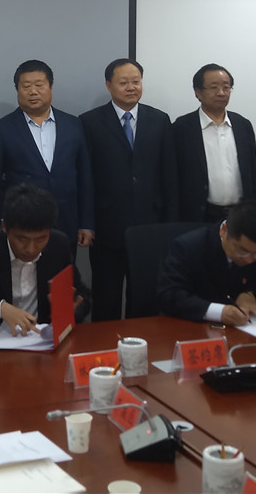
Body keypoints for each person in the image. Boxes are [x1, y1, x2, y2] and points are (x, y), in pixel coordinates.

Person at [80, 58, 178, 320]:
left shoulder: (159, 120)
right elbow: (85, 178)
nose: (131, 87)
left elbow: (169, 176)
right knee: (106, 299)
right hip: (106, 226)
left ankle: (142, 343)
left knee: (145, 299)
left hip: (149, 226)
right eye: (124, 82)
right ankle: (105, 344)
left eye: (136, 81)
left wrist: (170, 224)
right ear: (108, 85)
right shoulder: (89, 122)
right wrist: (86, 222)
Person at [0, 60, 95, 255]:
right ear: (17, 89)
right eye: (26, 86)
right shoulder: (1, 129)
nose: (33, 91)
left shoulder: (73, 124)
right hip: (21, 224)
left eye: (39, 85)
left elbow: (84, 176)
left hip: (66, 221)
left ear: (51, 87)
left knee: (63, 273)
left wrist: (86, 222)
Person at [0, 184, 90, 335]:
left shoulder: (58, 245)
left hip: (43, 338)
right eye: (22, 239)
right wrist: (0, 308)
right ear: (4, 227)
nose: (30, 249)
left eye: (40, 239)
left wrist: (72, 310)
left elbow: (82, 294)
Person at [157, 201, 256, 326]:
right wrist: (219, 312)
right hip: (191, 327)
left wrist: (250, 295)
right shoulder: (189, 247)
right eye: (242, 251)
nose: (249, 260)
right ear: (224, 230)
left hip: (244, 328)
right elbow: (169, 296)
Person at [173, 63, 256, 222]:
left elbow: (253, 174)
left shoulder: (242, 125)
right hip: (200, 215)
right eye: (214, 87)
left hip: (240, 215)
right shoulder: (182, 128)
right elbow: (173, 176)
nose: (221, 93)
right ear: (198, 92)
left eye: (226, 87)